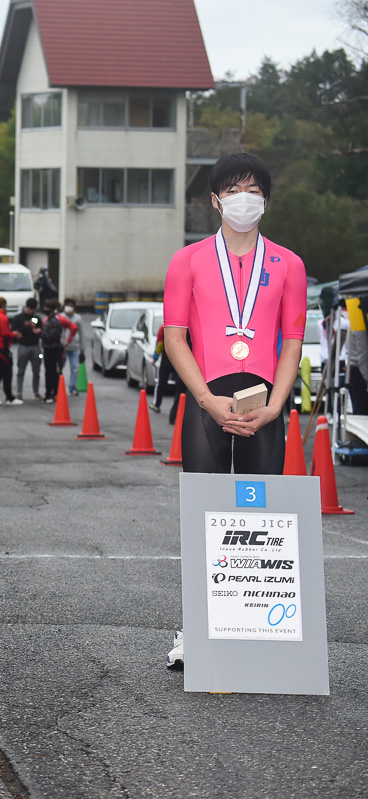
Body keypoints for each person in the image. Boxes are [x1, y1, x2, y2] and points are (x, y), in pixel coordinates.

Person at [162, 153, 307, 670]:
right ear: (216, 199)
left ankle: (253, 626)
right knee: (203, 515)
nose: (244, 197)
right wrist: (204, 397)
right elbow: (174, 337)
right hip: (208, 401)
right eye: (233, 188)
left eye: (253, 188)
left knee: (258, 518)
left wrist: (275, 406)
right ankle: (195, 628)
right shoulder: (188, 260)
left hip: (263, 406)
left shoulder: (289, 263)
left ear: (265, 199)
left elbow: (292, 342)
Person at [40, 300, 77, 403]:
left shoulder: (59, 320)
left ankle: (56, 392)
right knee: (49, 372)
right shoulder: (46, 320)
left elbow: (74, 328)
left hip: (57, 349)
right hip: (48, 349)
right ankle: (49, 393)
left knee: (56, 371)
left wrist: (67, 341)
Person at [13, 298, 43, 401]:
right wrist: (24, 326)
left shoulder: (36, 318)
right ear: (26, 307)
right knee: (20, 370)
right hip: (23, 346)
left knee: (37, 370)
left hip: (35, 345)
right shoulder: (19, 318)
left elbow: (41, 330)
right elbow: (14, 331)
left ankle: (36, 391)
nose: (32, 312)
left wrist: (38, 331)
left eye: (33, 310)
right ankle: (19, 392)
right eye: (30, 309)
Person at [61, 298, 84, 395]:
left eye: (71, 305)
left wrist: (82, 349)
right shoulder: (61, 317)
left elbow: (81, 333)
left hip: (74, 346)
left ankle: (72, 387)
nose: (69, 307)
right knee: (60, 367)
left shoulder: (77, 318)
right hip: (63, 347)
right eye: (67, 305)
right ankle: (59, 387)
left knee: (74, 368)